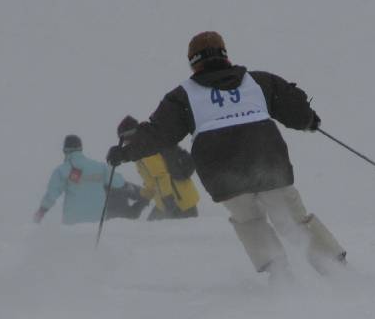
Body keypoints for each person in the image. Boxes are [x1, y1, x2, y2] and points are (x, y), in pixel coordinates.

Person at [107, 32, 345, 282]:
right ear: (225, 55)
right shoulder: (258, 82)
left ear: (193, 62)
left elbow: (158, 133)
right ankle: (335, 269)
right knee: (291, 219)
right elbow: (292, 104)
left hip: (221, 171)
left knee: (249, 220)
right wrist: (309, 120)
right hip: (267, 161)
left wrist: (124, 152)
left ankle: (279, 273)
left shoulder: (183, 96)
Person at [34, 134, 148, 225]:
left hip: (72, 222)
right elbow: (118, 183)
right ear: (81, 148)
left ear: (65, 150)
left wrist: (42, 211)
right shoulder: (99, 167)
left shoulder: (62, 170)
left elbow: (52, 194)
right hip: (96, 221)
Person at [117, 117, 200, 220]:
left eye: (124, 141)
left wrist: (168, 199)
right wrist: (141, 203)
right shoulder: (140, 153)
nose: (124, 144)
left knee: (163, 229)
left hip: (180, 201)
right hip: (167, 202)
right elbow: (152, 182)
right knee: (151, 227)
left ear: (129, 137)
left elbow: (161, 176)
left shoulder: (146, 148)